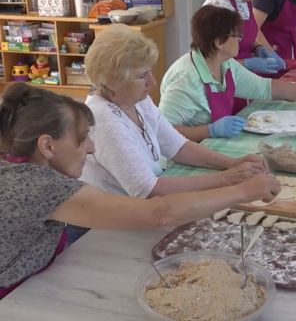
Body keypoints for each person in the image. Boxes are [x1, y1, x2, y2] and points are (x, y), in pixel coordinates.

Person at [0, 83, 280, 298]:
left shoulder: (15, 166)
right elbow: (158, 213)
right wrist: (243, 191)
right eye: (82, 139)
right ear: (47, 145)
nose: (91, 148)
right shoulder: (38, 186)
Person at [65, 24, 278, 242]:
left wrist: (233, 163)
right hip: (102, 231)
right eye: (141, 76)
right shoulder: (103, 121)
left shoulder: (136, 99)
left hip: (138, 214)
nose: (152, 82)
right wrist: (228, 179)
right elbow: (150, 190)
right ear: (111, 82)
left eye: (150, 72)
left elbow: (178, 146)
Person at [159, 5, 296, 142]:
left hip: (209, 144)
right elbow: (161, 131)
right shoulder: (186, 80)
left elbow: (265, 87)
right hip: (185, 153)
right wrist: (210, 130)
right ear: (218, 42)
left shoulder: (226, 65)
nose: (241, 41)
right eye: (237, 36)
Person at [205, 0, 286, 76]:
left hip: (241, 78)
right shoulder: (219, 9)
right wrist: (247, 63)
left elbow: (242, 37)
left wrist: (257, 48)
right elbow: (212, 63)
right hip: (222, 81)